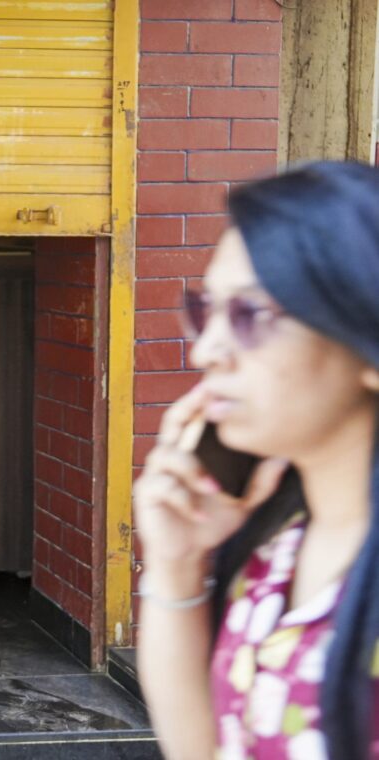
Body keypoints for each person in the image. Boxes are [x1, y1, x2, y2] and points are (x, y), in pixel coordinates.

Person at [133, 162, 379, 759]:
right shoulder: (275, 547)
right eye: (206, 311)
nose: (206, 350)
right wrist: (176, 565)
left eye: (252, 314)